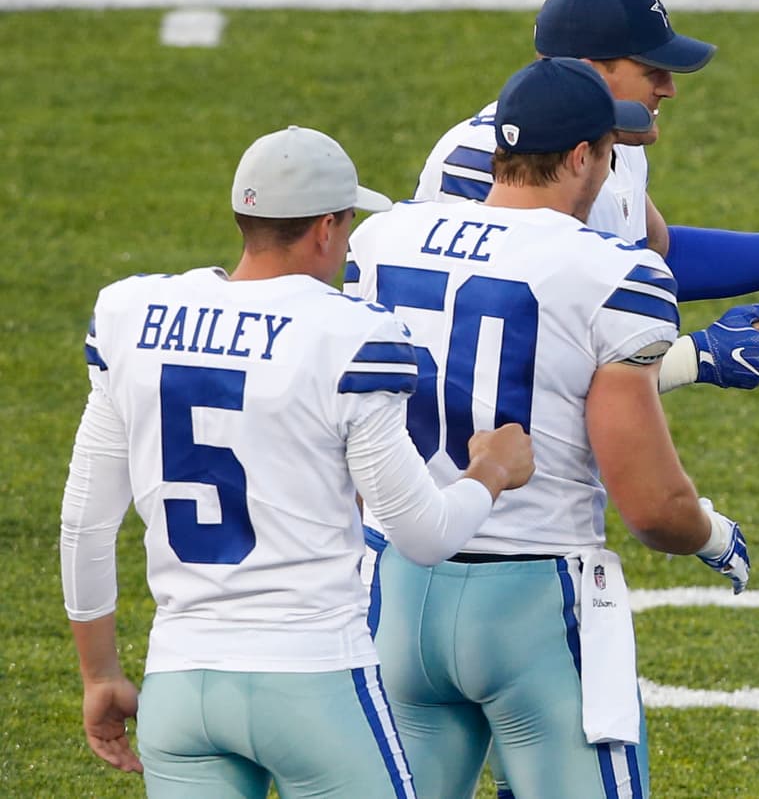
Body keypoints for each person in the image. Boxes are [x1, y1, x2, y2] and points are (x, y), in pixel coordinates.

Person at [59, 125, 534, 798]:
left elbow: (85, 522)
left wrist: (99, 674)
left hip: (181, 688)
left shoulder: (131, 314)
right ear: (324, 228)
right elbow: (424, 534)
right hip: (314, 683)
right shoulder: (349, 333)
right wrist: (490, 471)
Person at [345, 57, 759, 799]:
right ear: (580, 157)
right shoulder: (611, 272)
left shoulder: (380, 240)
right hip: (535, 602)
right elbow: (651, 505)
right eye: (607, 152)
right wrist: (709, 533)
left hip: (397, 589)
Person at [415, 0, 759, 396]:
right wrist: (695, 358)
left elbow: (655, 253)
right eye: (652, 69)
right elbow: (512, 360)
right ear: (590, 72)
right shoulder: (489, 164)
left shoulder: (609, 144)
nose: (669, 88)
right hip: (476, 482)